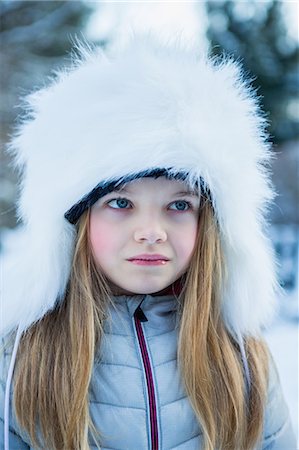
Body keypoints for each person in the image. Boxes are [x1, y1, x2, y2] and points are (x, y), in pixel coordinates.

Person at [0, 36, 296, 450]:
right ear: (74, 221)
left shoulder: (241, 360)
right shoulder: (21, 361)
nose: (151, 231)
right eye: (120, 202)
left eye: (178, 204)